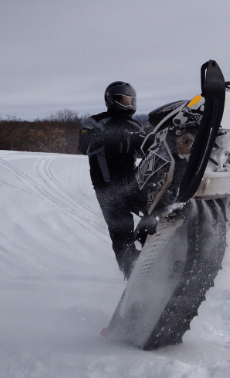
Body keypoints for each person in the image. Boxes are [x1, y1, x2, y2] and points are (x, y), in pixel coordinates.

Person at [78, 81, 149, 279]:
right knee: (121, 231)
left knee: (155, 213)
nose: (127, 105)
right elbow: (85, 145)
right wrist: (122, 140)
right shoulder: (94, 122)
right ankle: (130, 271)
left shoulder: (136, 125)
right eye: (122, 100)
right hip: (107, 188)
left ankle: (151, 252)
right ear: (111, 99)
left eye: (130, 101)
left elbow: (145, 150)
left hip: (132, 184)